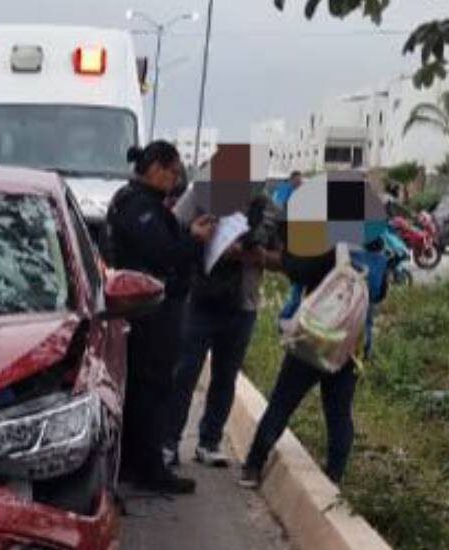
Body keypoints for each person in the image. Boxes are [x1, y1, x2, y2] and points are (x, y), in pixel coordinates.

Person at [241, 176, 389, 489]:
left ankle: (253, 466)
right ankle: (334, 478)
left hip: (315, 338)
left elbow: (297, 270)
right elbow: (379, 293)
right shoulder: (375, 248)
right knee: (338, 413)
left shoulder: (327, 240)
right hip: (351, 345)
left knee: (282, 402)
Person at [107, 141, 216, 494]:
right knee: (152, 390)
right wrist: (195, 239)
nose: (176, 179)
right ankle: (149, 469)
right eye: (174, 171)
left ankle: (134, 464)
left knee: (142, 390)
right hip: (150, 315)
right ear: (155, 168)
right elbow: (164, 254)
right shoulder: (139, 207)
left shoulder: (137, 202)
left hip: (142, 310)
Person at [164, 191, 284, 468]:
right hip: (199, 300)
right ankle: (168, 442)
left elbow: (285, 259)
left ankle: (209, 442)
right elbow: (170, 231)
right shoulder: (201, 195)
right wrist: (203, 240)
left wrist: (257, 256)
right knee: (183, 373)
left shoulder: (268, 210)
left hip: (243, 305)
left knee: (225, 376)